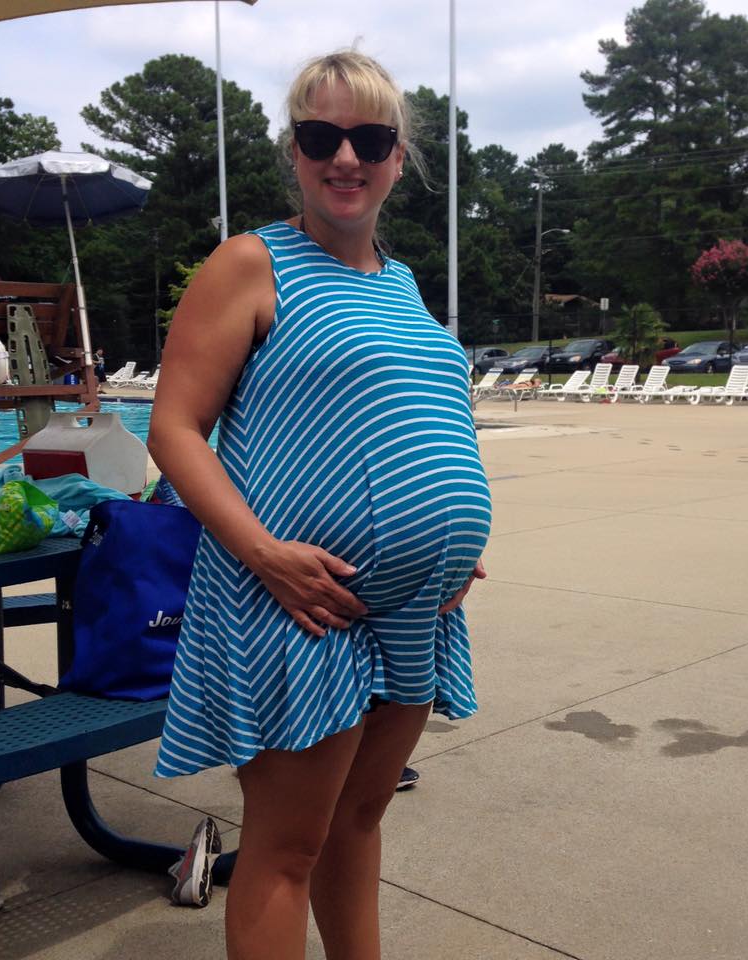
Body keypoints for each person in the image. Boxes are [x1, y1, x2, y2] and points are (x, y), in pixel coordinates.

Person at [147, 50, 490, 958]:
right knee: (290, 845)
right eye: (321, 137)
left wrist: (457, 541)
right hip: (297, 602)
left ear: (398, 156)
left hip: (416, 606)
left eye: (370, 139)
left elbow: (420, 416)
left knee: (358, 823)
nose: (346, 157)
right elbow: (174, 429)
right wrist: (264, 553)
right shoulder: (252, 263)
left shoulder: (402, 282)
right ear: (292, 151)